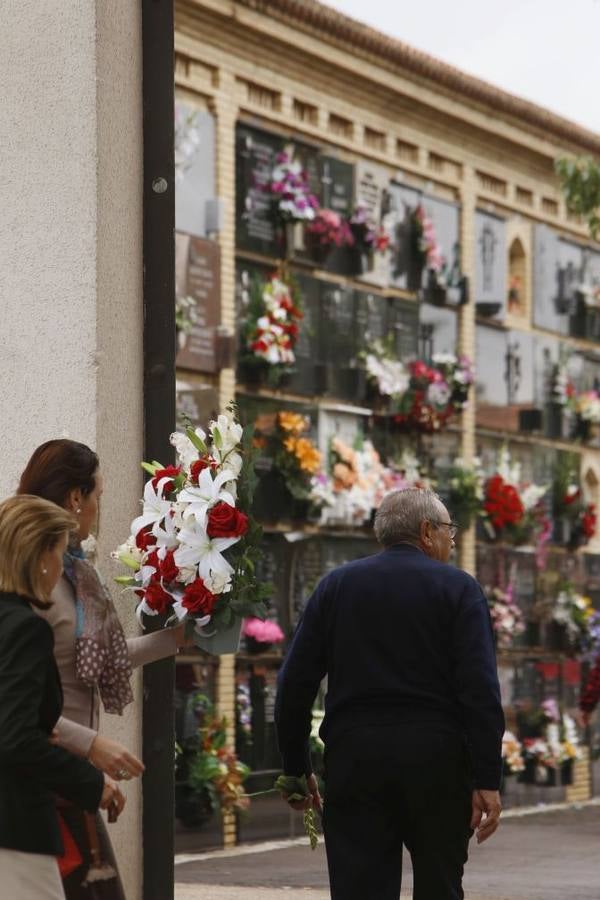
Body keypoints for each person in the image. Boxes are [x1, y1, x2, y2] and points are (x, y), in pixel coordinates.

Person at [275, 488, 505, 900]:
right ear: (426, 530)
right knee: (440, 886)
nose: (451, 541)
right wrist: (487, 777)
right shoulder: (459, 589)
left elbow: (294, 684)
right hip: (438, 763)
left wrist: (296, 766)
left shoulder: (336, 586)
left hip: (356, 761)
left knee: (359, 888)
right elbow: (480, 691)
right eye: (449, 531)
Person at [18, 439, 188, 899]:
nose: (97, 508)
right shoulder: (36, 583)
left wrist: (174, 640)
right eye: (97, 495)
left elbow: (97, 657)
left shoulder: (75, 572)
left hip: (71, 780)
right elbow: (13, 713)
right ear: (75, 499)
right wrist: (91, 746)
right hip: (45, 782)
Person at [0, 494, 124, 900]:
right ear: (38, 556)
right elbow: (15, 738)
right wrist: (90, 782)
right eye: (58, 551)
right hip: (13, 827)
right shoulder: (23, 628)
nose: (59, 568)